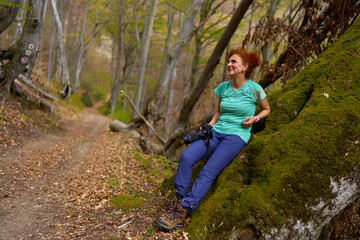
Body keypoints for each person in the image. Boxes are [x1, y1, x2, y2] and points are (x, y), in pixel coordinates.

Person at [156, 47, 271, 231]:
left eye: (234, 61)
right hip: (216, 133)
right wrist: (210, 125)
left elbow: (267, 109)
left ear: (244, 67)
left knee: (208, 171)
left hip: (236, 136)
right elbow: (218, 112)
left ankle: (183, 210)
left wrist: (255, 118)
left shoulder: (254, 89)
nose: (229, 64)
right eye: (229, 61)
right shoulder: (223, 87)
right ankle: (179, 199)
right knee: (186, 157)